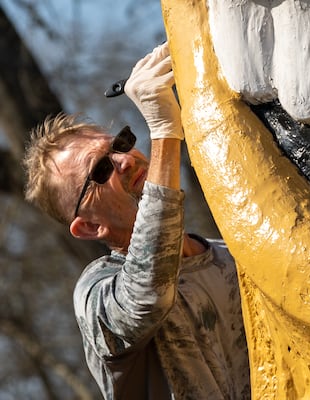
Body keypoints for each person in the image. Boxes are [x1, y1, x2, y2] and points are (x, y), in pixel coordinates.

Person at [22, 42, 250, 399]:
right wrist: (163, 131)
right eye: (100, 170)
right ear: (89, 227)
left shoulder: (236, 256)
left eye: (121, 144)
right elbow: (148, 293)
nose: (125, 160)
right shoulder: (96, 291)